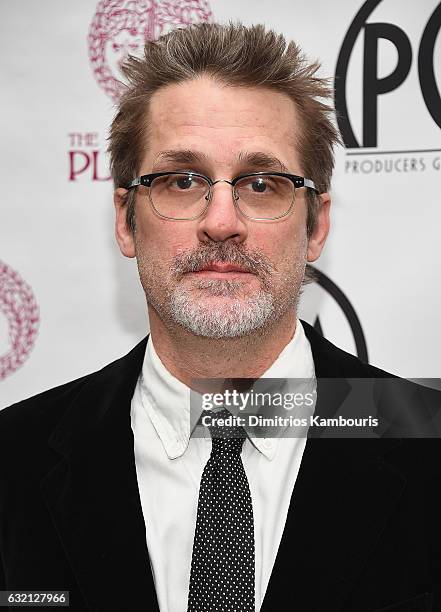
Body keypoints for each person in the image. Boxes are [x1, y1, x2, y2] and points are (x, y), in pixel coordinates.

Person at [0, 22, 440, 612]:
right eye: (183, 182)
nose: (222, 221)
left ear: (316, 225)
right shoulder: (12, 460)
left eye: (262, 184)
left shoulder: (430, 447)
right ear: (126, 220)